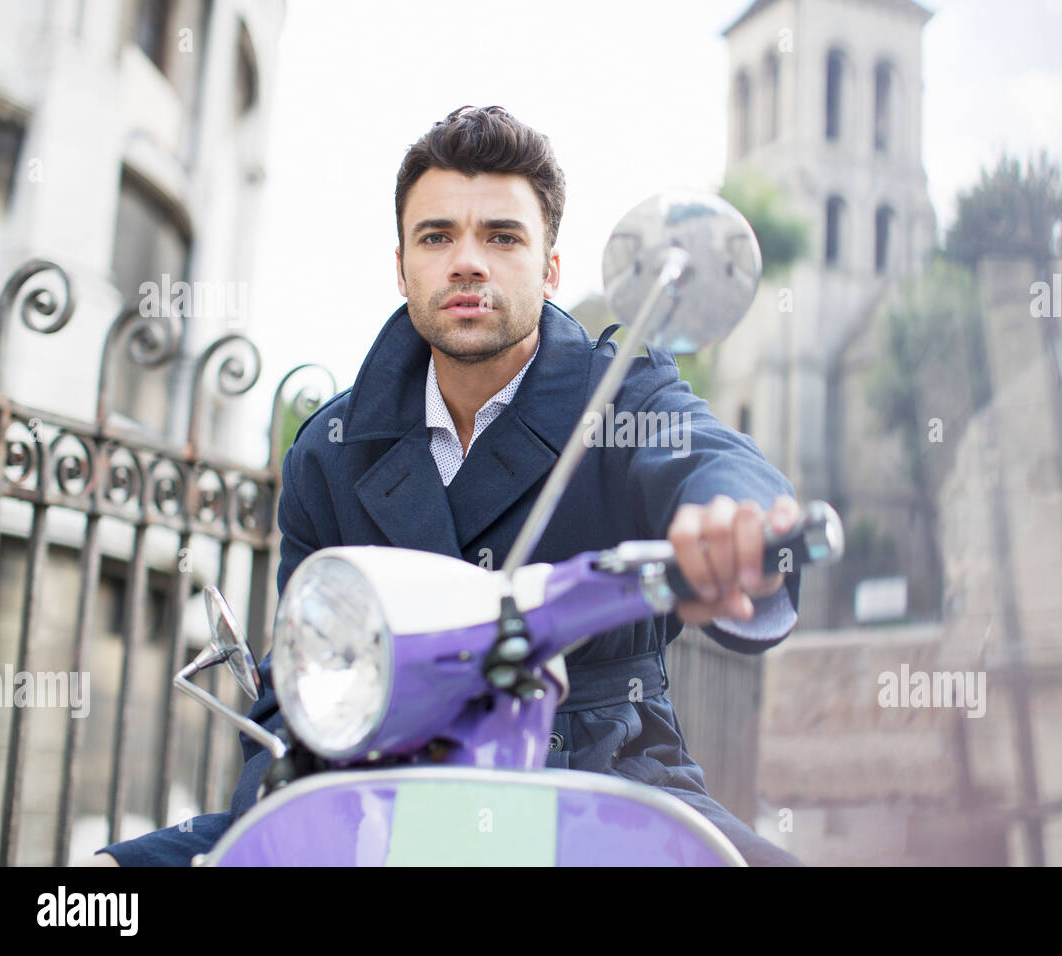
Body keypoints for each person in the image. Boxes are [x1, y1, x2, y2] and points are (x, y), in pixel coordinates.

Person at [83, 105, 805, 867]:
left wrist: (732, 522)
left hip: (607, 788)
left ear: (550, 265)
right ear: (402, 266)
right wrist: (285, 818)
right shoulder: (332, 451)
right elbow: (302, 672)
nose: (468, 262)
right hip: (378, 799)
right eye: (437, 237)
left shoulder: (622, 395)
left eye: (502, 236)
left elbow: (712, 458)